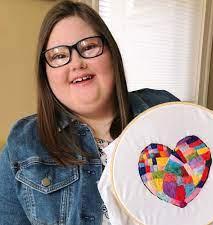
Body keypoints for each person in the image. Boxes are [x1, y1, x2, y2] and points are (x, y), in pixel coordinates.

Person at [0, 1, 179, 225]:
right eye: (58, 56)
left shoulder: (164, 110)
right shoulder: (22, 146)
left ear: (111, 54)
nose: (76, 63)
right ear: (45, 74)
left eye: (88, 47)